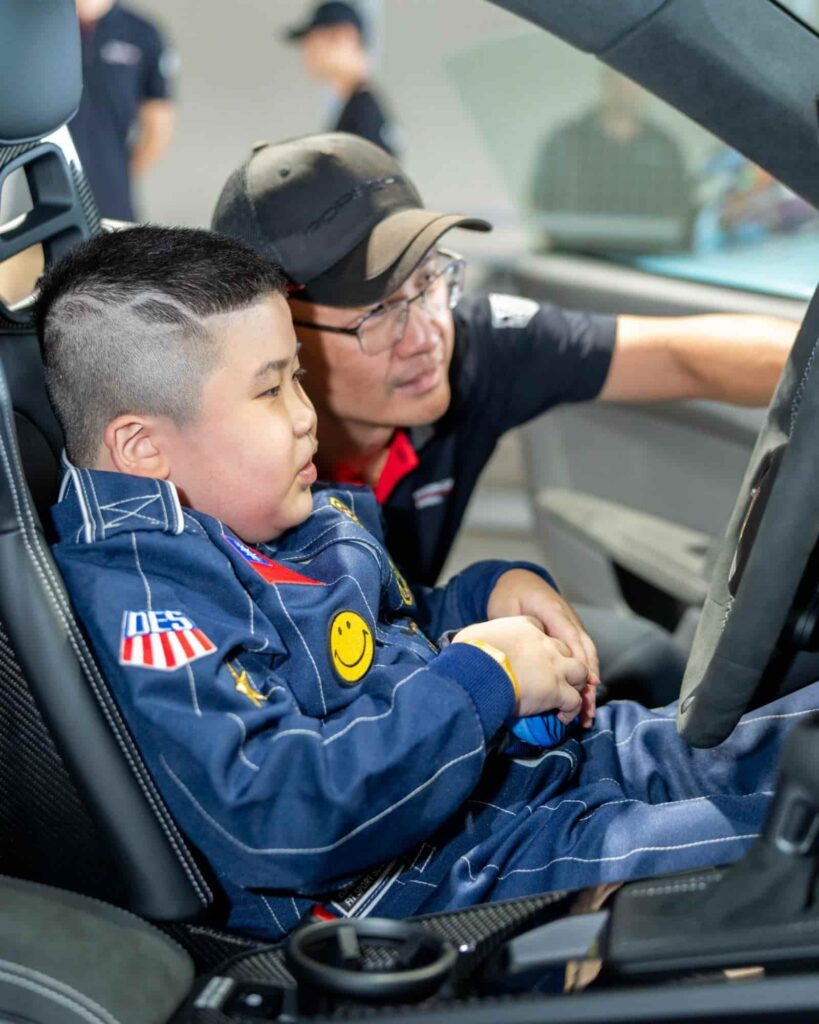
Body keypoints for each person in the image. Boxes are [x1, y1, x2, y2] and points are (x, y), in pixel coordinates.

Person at [39, 225, 819, 941]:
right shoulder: (148, 600)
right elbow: (283, 817)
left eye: (297, 380)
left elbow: (380, 638)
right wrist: (488, 675)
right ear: (142, 447)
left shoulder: (261, 525)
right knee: (791, 839)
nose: (308, 417)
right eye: (270, 389)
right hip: (436, 879)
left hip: (510, 787)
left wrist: (482, 596)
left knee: (790, 746)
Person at [210, 132, 799, 706]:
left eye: (429, 280)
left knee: (650, 665)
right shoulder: (213, 467)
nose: (426, 336)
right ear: (277, 331)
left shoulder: (470, 350)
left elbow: (683, 357)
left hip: (413, 632)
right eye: (379, 311)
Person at [530, 69, 691, 252]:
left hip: (647, 264)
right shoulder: (567, 139)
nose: (628, 88)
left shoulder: (665, 146)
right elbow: (539, 202)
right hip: (576, 258)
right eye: (621, 80)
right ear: (607, 82)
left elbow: (680, 210)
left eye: (635, 82)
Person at [70, 0, 176, 221]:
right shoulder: (34, 26)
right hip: (36, 197)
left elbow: (158, 127)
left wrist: (119, 174)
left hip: (112, 201)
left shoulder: (141, 33)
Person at [285, 1, 398, 156]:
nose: (306, 55)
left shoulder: (363, 113)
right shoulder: (356, 106)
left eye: (312, 42)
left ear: (343, 36)